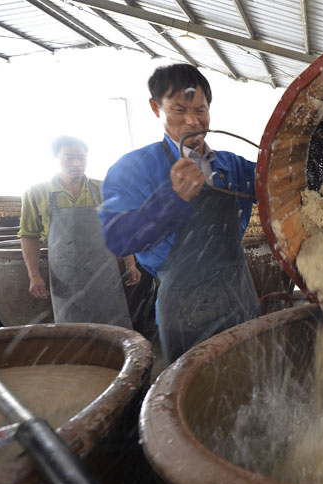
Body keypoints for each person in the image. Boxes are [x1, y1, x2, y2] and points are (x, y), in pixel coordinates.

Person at [99, 63, 259, 364]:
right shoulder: (134, 168)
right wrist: (172, 200)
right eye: (178, 110)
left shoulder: (231, 166)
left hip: (241, 298)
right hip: (186, 310)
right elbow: (118, 238)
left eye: (200, 110)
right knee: (197, 396)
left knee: (250, 382)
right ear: (156, 107)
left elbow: (280, 181)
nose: (191, 121)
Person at [18, 136, 139, 328]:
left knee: (112, 327)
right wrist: (34, 275)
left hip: (104, 275)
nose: (76, 164)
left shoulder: (103, 189)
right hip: (65, 276)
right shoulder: (37, 192)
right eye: (68, 158)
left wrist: (130, 263)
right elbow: (29, 235)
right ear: (55, 158)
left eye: (81, 158)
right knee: (72, 331)